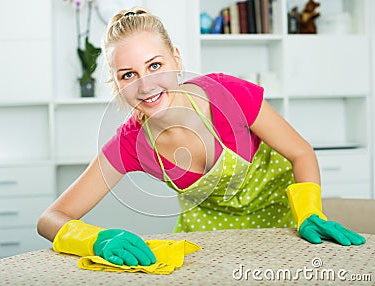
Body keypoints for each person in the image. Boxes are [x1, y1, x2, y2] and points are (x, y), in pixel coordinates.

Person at [37, 7, 366, 267]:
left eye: (154, 66)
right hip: (208, 243)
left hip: (281, 227)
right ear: (116, 84)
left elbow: (301, 152)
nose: (146, 85)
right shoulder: (130, 144)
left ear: (176, 59)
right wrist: (96, 240)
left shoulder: (229, 95)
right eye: (128, 75)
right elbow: (50, 219)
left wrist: (310, 212)